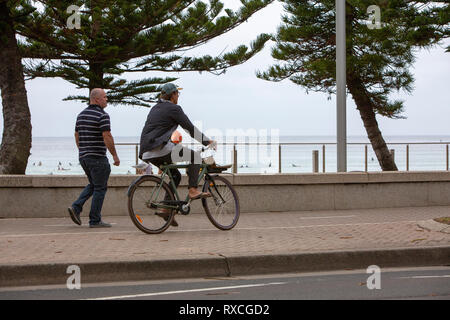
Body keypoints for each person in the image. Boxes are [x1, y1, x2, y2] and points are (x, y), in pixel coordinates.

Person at [139, 83, 216, 227]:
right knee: (195, 157)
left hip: (147, 152)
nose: (178, 97)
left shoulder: (155, 108)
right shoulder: (174, 109)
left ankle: (166, 209)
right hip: (161, 148)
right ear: (173, 95)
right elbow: (189, 128)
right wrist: (207, 141)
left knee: (175, 176)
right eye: (177, 94)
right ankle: (193, 190)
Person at [68, 88, 120, 228]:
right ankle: (95, 220)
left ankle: (76, 208)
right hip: (97, 157)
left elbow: (76, 135)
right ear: (96, 99)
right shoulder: (102, 115)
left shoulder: (81, 115)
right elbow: (107, 135)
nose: (106, 99)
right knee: (100, 188)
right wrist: (114, 155)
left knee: (94, 184)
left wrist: (83, 151)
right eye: (104, 97)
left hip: (84, 157)